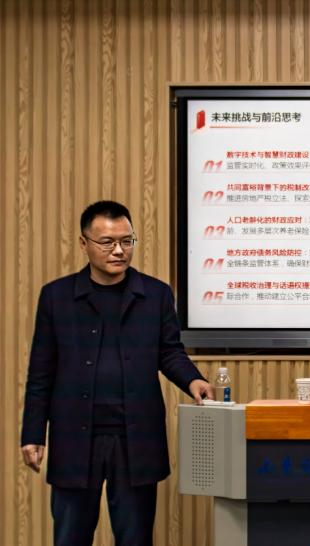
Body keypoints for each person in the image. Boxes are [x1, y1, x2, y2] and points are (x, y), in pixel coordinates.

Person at [20, 200, 212, 546]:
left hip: (135, 437)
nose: (119, 251)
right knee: (70, 536)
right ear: (84, 243)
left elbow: (169, 351)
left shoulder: (155, 294)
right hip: (75, 436)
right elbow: (41, 371)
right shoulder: (56, 297)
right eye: (107, 242)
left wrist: (193, 379)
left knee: (135, 537)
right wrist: (33, 433)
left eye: (127, 241)